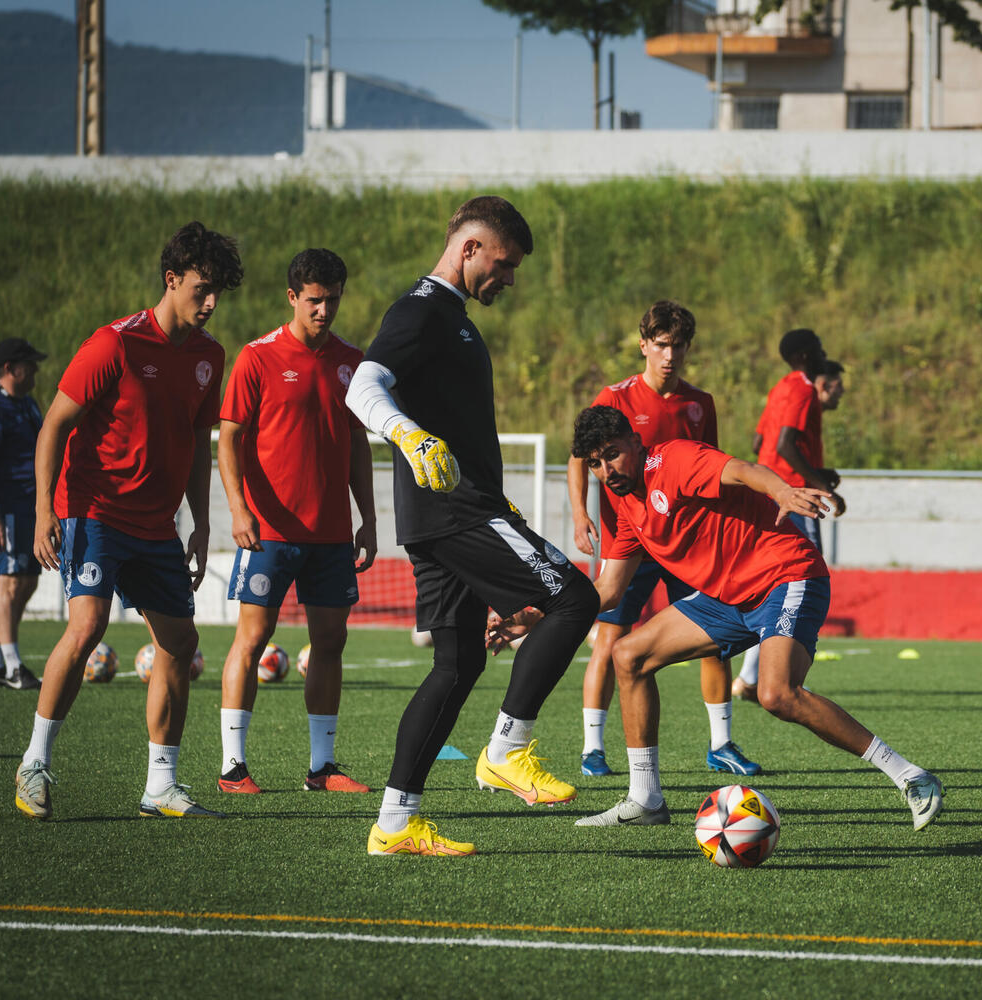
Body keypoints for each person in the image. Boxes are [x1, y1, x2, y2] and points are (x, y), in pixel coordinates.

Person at [493, 405, 942, 832]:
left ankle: (911, 776)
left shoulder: (674, 459)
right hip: (726, 599)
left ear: (635, 442)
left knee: (777, 694)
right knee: (628, 655)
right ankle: (645, 799)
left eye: (612, 454)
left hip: (785, 575)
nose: (606, 470)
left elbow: (743, 470)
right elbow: (609, 590)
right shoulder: (624, 504)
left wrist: (782, 491)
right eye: (595, 463)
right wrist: (537, 615)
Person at [346, 195, 599, 857]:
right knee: (575, 599)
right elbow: (362, 386)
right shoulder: (421, 310)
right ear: (469, 248)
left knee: (456, 667)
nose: (509, 279)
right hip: (455, 512)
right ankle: (507, 751)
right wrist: (408, 436)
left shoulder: (452, 317)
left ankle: (395, 824)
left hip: (450, 515)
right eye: (504, 264)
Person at [14, 221, 242, 822]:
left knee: (180, 642)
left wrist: (200, 522)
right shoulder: (114, 344)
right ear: (171, 279)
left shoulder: (209, 356)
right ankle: (34, 763)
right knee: (88, 625)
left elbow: (196, 441)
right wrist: (43, 510)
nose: (211, 303)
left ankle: (160, 786)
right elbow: (54, 426)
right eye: (202, 289)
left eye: (218, 292)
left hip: (157, 526)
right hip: (95, 512)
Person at [567, 300, 760, 779]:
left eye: (678, 345)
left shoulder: (700, 403)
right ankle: (593, 748)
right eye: (660, 345)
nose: (669, 355)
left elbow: (713, 465)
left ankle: (721, 744)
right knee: (611, 638)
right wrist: (580, 513)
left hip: (686, 545)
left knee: (713, 640)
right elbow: (579, 456)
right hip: (629, 539)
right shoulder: (615, 397)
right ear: (643, 346)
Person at [215, 248, 377, 795]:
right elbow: (228, 439)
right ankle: (232, 768)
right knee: (252, 638)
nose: (324, 310)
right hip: (269, 532)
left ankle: (322, 768)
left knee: (330, 641)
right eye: (314, 300)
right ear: (292, 297)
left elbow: (357, 445)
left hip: (331, 534)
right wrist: (238, 509)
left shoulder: (352, 362)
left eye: (333, 299)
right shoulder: (257, 357)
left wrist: (368, 519)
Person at [733, 333, 843, 701]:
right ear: (805, 355)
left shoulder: (780, 388)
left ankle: (750, 677)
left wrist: (817, 471)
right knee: (804, 581)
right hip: (794, 497)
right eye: (820, 349)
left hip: (770, 495)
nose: (824, 354)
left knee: (773, 586)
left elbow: (760, 444)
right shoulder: (803, 389)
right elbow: (784, 444)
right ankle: (777, 678)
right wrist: (819, 485)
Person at [0, 338, 48, 689]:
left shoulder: (27, 404)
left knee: (28, 581)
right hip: (9, 511)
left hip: (31, 508)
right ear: (9, 369)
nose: (35, 370)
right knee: (10, 583)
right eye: (28, 365)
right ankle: (14, 667)